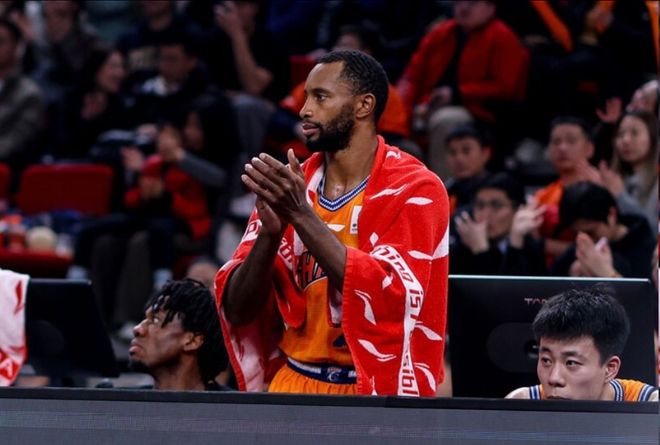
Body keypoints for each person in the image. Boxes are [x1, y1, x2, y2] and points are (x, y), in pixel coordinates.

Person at [214, 50, 449, 396]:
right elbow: (237, 311)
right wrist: (269, 235)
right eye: (306, 97)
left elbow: (389, 301)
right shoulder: (293, 185)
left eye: (320, 97)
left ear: (363, 106)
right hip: (294, 382)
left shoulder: (415, 189)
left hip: (374, 391)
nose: (305, 110)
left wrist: (300, 214)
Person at [397, 0, 529, 179]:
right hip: (429, 106)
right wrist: (403, 107)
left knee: (446, 120)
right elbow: (412, 75)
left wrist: (457, 93)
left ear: (490, 8)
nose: (464, 7)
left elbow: (506, 87)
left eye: (473, 2)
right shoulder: (440, 33)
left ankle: (444, 187)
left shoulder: (502, 37)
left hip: (480, 112)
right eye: (460, 2)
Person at [506, 287, 658, 401]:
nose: (554, 379)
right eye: (546, 360)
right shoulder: (521, 403)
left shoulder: (650, 404)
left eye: (571, 363)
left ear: (610, 368)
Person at [128, 279, 230, 391]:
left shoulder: (233, 402)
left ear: (193, 341)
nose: (137, 329)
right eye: (145, 319)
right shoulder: (123, 401)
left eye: (155, 320)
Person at [551, 181, 655, 279]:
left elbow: (645, 291)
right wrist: (571, 278)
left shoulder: (647, 248)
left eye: (591, 232)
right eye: (576, 234)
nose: (585, 239)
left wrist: (606, 273)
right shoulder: (583, 244)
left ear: (611, 215)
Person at [450, 172, 546, 276]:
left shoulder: (531, 248)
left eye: (496, 205)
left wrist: (515, 242)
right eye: (480, 205)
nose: (486, 215)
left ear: (517, 209)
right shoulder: (463, 246)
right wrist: (480, 251)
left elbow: (510, 285)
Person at [0, 18, 44, 179]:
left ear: (17, 46)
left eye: (1, 41)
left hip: (10, 174)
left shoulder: (29, 94)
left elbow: (16, 142)